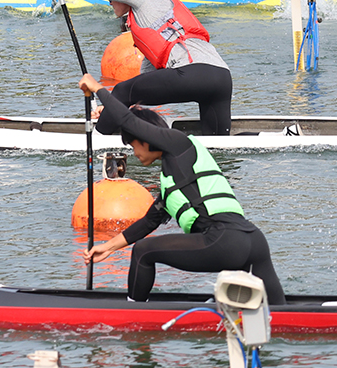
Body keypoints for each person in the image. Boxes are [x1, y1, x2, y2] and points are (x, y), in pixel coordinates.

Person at [78, 72, 286, 305]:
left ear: (145, 138)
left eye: (133, 144)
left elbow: (128, 120)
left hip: (224, 239)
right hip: (253, 241)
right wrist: (108, 247)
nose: (134, 152)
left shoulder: (179, 144)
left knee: (144, 252)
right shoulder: (174, 180)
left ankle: (133, 316)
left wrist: (97, 88)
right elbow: (147, 223)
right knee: (282, 314)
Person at [46, 0, 232, 136]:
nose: (110, 2)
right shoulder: (149, 16)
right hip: (222, 79)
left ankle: (96, 140)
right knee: (216, 144)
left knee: (121, 90)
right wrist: (114, 107)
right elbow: (145, 80)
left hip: (193, 73)